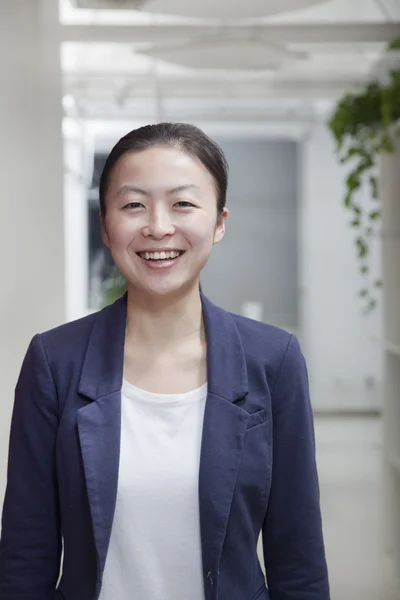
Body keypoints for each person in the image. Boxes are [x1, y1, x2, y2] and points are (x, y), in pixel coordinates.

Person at [0, 122, 330, 600]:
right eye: (133, 204)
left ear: (219, 221)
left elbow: (297, 555)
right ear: (106, 226)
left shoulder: (273, 359)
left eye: (183, 203)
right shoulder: (55, 362)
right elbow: (25, 554)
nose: (158, 226)